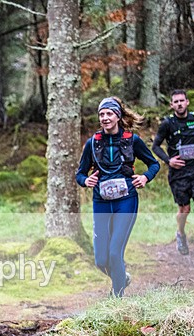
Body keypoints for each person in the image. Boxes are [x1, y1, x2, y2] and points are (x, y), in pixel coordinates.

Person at [76, 97, 160, 297]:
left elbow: (154, 164)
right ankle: (122, 277)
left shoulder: (132, 140)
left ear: (118, 116)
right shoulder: (92, 143)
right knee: (100, 260)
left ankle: (117, 299)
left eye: (109, 114)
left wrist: (145, 177)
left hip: (126, 201)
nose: (105, 118)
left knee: (115, 254)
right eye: (101, 114)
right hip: (101, 202)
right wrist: (85, 181)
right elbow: (80, 173)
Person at [151, 90, 194, 261]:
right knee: (184, 209)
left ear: (187, 102)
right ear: (172, 105)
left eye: (182, 101)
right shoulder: (167, 124)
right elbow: (156, 146)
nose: (180, 104)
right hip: (178, 173)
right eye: (176, 101)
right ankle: (181, 233)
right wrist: (169, 161)